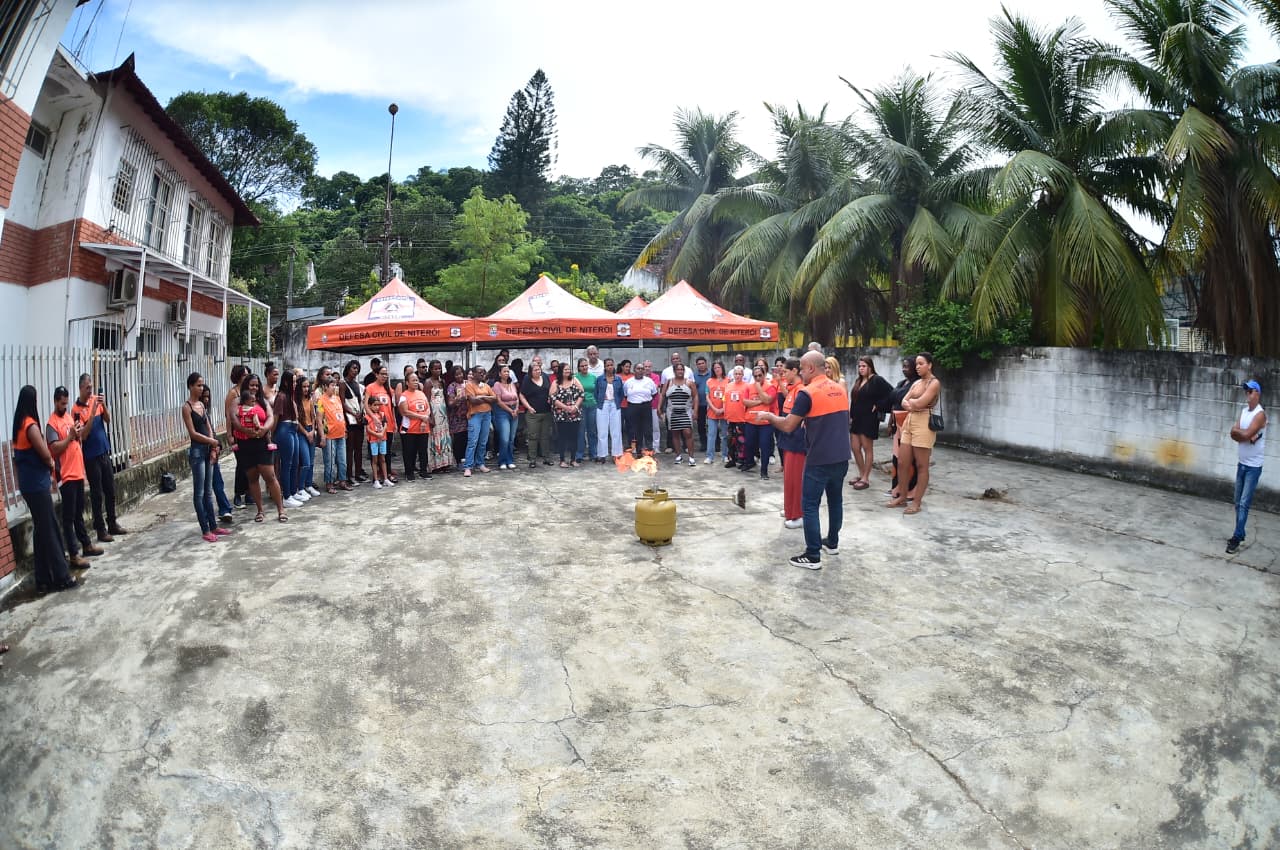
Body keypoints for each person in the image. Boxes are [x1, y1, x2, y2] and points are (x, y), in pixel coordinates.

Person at [758, 351, 851, 570]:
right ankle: (832, 543)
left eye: (801, 367)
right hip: (841, 455)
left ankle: (812, 555)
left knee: (809, 505)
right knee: (835, 500)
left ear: (810, 368)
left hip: (818, 458)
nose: (799, 372)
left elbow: (789, 425)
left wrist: (770, 417)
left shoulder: (807, 393)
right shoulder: (839, 388)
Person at [12, 386, 78, 593]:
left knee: (41, 530)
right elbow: (45, 453)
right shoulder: (30, 426)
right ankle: (61, 576)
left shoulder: (18, 426)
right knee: (50, 528)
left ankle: (42, 579)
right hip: (37, 485)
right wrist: (51, 466)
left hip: (28, 484)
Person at [45, 386, 102, 568]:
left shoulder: (69, 417)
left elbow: (77, 438)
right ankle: (73, 554)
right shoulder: (51, 424)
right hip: (66, 475)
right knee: (69, 517)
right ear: (55, 401)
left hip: (77, 472)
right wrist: (70, 437)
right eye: (62, 403)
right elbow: (54, 449)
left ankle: (86, 545)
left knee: (79, 514)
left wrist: (76, 434)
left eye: (66, 402)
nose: (64, 406)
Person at [73, 374, 128, 543]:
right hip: (90, 456)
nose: (91, 390)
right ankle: (100, 529)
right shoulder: (76, 410)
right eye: (87, 387)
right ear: (81, 388)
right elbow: (84, 434)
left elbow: (108, 419)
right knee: (97, 494)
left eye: (92, 386)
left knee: (110, 490)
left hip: (104, 451)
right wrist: (90, 414)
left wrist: (103, 405)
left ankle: (112, 523)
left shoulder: (97, 400)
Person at [182, 372, 231, 543]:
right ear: (190, 386)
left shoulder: (202, 406)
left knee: (209, 492)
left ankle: (213, 525)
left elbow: (208, 425)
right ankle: (205, 528)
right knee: (200, 492)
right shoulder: (187, 407)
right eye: (198, 385)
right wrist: (211, 441)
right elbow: (193, 434)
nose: (201, 388)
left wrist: (213, 446)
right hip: (196, 451)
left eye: (202, 385)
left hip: (207, 450)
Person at [890, 353, 941, 515]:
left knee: (921, 465)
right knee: (902, 462)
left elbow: (919, 403)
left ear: (930, 365)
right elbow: (905, 401)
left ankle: (917, 502)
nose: (917, 367)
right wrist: (912, 404)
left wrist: (912, 404)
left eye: (921, 364)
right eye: (917, 364)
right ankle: (902, 496)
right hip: (909, 421)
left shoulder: (934, 383)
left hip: (924, 422)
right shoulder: (917, 383)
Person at [234, 373, 287, 523]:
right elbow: (234, 418)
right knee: (252, 477)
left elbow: (270, 417)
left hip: (261, 442)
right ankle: (260, 511)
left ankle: (280, 510)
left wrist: (264, 429)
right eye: (251, 385)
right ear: (246, 385)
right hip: (245, 443)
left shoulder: (262, 402)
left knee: (270, 476)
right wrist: (246, 431)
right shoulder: (238, 401)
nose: (254, 388)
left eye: (257, 385)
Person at [1228, 380, 1268, 554]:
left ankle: (1236, 538)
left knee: (1244, 503)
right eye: (1246, 392)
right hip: (1242, 464)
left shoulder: (1260, 415)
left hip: (1253, 467)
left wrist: (1241, 434)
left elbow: (1245, 433)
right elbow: (1234, 433)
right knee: (1237, 502)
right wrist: (1241, 434)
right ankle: (1241, 532)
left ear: (1257, 394)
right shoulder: (1244, 412)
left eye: (1250, 391)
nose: (1247, 395)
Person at [848, 356, 892, 490]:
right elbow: (854, 400)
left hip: (869, 419)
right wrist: (851, 416)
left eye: (864, 366)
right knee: (855, 448)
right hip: (856, 418)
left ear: (870, 367)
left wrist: (879, 405)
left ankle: (866, 478)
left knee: (867, 448)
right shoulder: (859, 380)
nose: (861, 369)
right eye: (860, 366)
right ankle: (861, 474)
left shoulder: (876, 380)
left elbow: (892, 394)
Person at [775, 358, 808, 529]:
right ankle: (790, 509)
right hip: (787, 438)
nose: (784, 375)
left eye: (786, 372)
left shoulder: (801, 390)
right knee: (788, 478)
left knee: (796, 479)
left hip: (797, 440)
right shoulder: (792, 390)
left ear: (795, 371)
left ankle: (798, 515)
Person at [273, 371, 303, 509]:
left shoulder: (290, 397)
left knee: (295, 462)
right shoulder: (281, 396)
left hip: (292, 429)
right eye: (294, 381)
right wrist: (270, 437)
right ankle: (286, 496)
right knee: (287, 464)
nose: (295, 384)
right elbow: (275, 419)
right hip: (285, 430)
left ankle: (292, 491)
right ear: (286, 382)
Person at [742, 364, 777, 478]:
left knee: (765, 446)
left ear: (764, 375)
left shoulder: (770, 387)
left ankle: (764, 471)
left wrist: (759, 389)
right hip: (751, 421)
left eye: (760, 375)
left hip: (765, 423)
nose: (757, 378)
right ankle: (750, 462)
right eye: (755, 376)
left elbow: (767, 400)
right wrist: (759, 402)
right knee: (749, 444)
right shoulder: (748, 387)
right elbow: (745, 402)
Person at [364, 364, 397, 483]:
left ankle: (387, 473)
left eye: (386, 374)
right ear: (376, 374)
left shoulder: (389, 389)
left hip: (388, 424)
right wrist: (373, 417)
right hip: (374, 425)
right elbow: (366, 405)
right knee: (374, 452)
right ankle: (376, 476)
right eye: (382, 374)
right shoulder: (370, 388)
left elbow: (392, 408)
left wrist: (395, 423)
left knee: (386, 451)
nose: (385, 376)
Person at [398, 371, 432, 481]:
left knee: (423, 451)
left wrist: (424, 420)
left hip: (423, 428)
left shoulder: (421, 393)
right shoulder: (404, 396)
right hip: (409, 429)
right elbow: (405, 412)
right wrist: (421, 417)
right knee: (409, 452)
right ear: (407, 383)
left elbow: (427, 408)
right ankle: (409, 473)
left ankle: (423, 471)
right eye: (413, 380)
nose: (416, 382)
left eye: (417, 380)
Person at [224, 364, 250, 510]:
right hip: (237, 433)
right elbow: (229, 415)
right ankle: (238, 494)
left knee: (250, 464)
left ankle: (248, 492)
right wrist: (229, 434)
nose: (246, 377)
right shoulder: (233, 393)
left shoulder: (247, 392)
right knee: (241, 464)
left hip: (249, 432)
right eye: (244, 375)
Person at [463, 366, 496, 477]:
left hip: (487, 415)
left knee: (483, 441)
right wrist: (486, 397)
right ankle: (468, 466)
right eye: (480, 372)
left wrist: (480, 396)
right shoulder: (469, 385)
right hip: (475, 415)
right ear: (474, 374)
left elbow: (495, 398)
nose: (482, 374)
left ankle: (480, 463)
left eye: (483, 372)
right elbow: (473, 400)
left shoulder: (486, 385)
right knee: (473, 441)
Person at [662, 362, 698, 466]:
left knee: (688, 433)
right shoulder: (669, 382)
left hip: (685, 411)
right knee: (675, 433)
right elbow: (663, 395)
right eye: (678, 369)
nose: (680, 371)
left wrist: (695, 411)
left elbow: (695, 396)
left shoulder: (689, 382)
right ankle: (678, 456)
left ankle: (691, 457)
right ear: (674, 371)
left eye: (682, 369)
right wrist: (659, 408)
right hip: (672, 412)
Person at [551, 362, 585, 468]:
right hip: (561, 415)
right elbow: (552, 398)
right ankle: (562, 460)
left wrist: (575, 407)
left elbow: (582, 394)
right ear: (561, 371)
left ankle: (573, 459)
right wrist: (565, 407)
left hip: (574, 414)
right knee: (562, 437)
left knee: (574, 437)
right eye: (565, 369)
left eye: (569, 369)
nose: (567, 371)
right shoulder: (556, 383)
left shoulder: (574, 380)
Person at [520, 361, 553, 468]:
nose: (538, 371)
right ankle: (532, 459)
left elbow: (551, 390)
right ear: (531, 372)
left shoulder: (545, 377)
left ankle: (546, 458)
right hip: (533, 414)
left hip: (546, 412)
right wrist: (528, 407)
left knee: (545, 436)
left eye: (539, 369)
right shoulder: (527, 380)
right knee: (533, 436)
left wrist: (550, 398)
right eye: (535, 370)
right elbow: (522, 395)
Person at [319, 378, 350, 494]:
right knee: (330, 461)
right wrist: (322, 436)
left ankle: (342, 480)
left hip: (341, 433)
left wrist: (345, 428)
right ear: (325, 387)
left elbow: (341, 414)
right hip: (330, 435)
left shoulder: (337, 399)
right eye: (332, 385)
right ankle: (329, 483)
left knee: (342, 460)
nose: (334, 387)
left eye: (335, 385)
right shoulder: (321, 401)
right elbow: (319, 420)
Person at [425, 360, 453, 473]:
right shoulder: (428, 382)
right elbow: (427, 400)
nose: (438, 371)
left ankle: (445, 462)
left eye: (439, 368)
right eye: (435, 369)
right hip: (434, 412)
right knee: (435, 437)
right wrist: (430, 416)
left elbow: (445, 398)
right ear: (430, 370)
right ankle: (435, 464)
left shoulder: (442, 381)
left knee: (444, 437)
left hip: (443, 412)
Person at [340, 360, 366, 484]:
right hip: (350, 420)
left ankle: (358, 472)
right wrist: (353, 413)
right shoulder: (343, 383)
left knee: (359, 448)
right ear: (348, 369)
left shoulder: (357, 384)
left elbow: (361, 401)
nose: (355, 370)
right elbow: (342, 402)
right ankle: (349, 475)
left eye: (357, 368)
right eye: (354, 368)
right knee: (350, 449)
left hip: (359, 419)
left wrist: (360, 413)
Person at [623, 364, 657, 457]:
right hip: (633, 406)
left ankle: (649, 451)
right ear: (634, 370)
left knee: (647, 429)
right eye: (638, 369)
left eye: (642, 369)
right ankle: (638, 451)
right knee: (636, 430)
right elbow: (626, 395)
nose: (640, 370)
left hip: (646, 406)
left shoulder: (649, 381)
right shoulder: (628, 382)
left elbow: (654, 394)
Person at [595, 358, 624, 461]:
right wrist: (601, 402)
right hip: (603, 405)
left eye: (611, 365)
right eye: (607, 365)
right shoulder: (599, 379)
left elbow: (621, 394)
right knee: (602, 431)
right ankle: (602, 454)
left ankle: (616, 454)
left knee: (616, 431)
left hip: (615, 405)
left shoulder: (618, 379)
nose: (610, 367)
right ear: (604, 367)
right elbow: (596, 393)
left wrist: (617, 403)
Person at [491, 364, 520, 470]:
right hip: (502, 412)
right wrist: (510, 410)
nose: (507, 373)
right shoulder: (497, 385)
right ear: (499, 373)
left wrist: (516, 409)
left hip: (514, 411)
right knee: (505, 438)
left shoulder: (512, 384)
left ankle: (510, 460)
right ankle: (502, 461)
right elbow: (498, 401)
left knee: (512, 438)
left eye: (508, 372)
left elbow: (517, 398)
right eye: (505, 371)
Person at [297, 376, 321, 500]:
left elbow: (313, 416)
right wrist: (306, 433)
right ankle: (300, 487)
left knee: (311, 461)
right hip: (301, 432)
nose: (306, 389)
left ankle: (308, 484)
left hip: (311, 429)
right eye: (303, 386)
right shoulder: (295, 401)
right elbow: (296, 421)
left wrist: (312, 431)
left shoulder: (309, 400)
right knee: (305, 462)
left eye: (307, 386)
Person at [723, 365, 750, 468]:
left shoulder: (747, 386)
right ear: (733, 374)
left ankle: (743, 460)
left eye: (739, 374)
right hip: (730, 417)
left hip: (742, 418)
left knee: (741, 441)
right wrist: (725, 411)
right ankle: (731, 459)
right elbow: (724, 400)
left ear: (743, 375)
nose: (737, 375)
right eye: (736, 373)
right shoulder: (728, 385)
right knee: (730, 440)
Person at [446, 365, 470, 469]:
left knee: (467, 438)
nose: (459, 376)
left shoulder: (468, 383)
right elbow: (450, 403)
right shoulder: (452, 386)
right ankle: (459, 460)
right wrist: (458, 398)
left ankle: (467, 459)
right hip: (457, 416)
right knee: (459, 439)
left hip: (468, 415)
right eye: (456, 374)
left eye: (460, 373)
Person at [365, 397, 392, 488]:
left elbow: (385, 424)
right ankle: (376, 480)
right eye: (375, 405)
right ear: (369, 406)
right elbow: (367, 429)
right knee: (375, 460)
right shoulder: (367, 416)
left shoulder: (382, 414)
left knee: (383, 459)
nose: (377, 407)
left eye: (378, 405)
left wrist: (382, 433)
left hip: (382, 439)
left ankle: (385, 479)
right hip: (373, 440)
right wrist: (376, 435)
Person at [575, 358, 598, 462]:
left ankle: (593, 453)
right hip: (581, 406)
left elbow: (597, 391)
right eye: (582, 366)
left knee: (592, 431)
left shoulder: (593, 377)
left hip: (592, 405)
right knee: (580, 431)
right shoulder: (575, 377)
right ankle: (579, 454)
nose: (584, 367)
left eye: (585, 365)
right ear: (578, 367)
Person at [704, 361, 728, 464]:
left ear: (722, 368)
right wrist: (714, 408)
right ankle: (710, 456)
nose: (717, 369)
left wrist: (722, 408)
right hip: (712, 412)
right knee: (711, 434)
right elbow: (707, 396)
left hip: (724, 411)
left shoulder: (728, 381)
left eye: (719, 367)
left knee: (725, 435)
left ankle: (725, 455)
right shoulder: (709, 381)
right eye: (715, 368)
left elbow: (727, 396)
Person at [692, 355, 711, 453]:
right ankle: (704, 444)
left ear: (706, 363)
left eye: (702, 363)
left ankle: (715, 444)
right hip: (699, 404)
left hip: (711, 404)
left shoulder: (712, 374)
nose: (701, 365)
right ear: (696, 365)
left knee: (712, 425)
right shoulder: (694, 376)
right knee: (701, 425)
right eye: (699, 364)